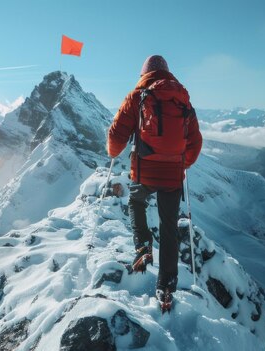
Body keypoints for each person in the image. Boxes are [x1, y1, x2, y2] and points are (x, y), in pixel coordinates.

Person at [106, 55, 203, 307]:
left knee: (136, 202)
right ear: (167, 73)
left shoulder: (137, 96)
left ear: (144, 74)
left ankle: (143, 247)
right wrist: (183, 163)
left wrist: (113, 152)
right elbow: (195, 141)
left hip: (144, 170)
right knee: (169, 226)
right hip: (172, 175)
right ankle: (167, 286)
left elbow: (117, 134)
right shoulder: (182, 99)